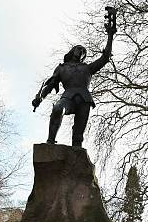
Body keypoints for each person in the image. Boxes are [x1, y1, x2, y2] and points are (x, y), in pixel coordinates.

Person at [32, 14, 116, 147]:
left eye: (83, 51)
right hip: (68, 97)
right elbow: (50, 85)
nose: (81, 52)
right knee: (58, 108)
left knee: (78, 135)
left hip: (85, 99)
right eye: (79, 49)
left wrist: (110, 35)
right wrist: (40, 98)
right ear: (72, 50)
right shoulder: (62, 68)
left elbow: (105, 58)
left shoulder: (87, 68)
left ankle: (77, 155)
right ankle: (50, 142)